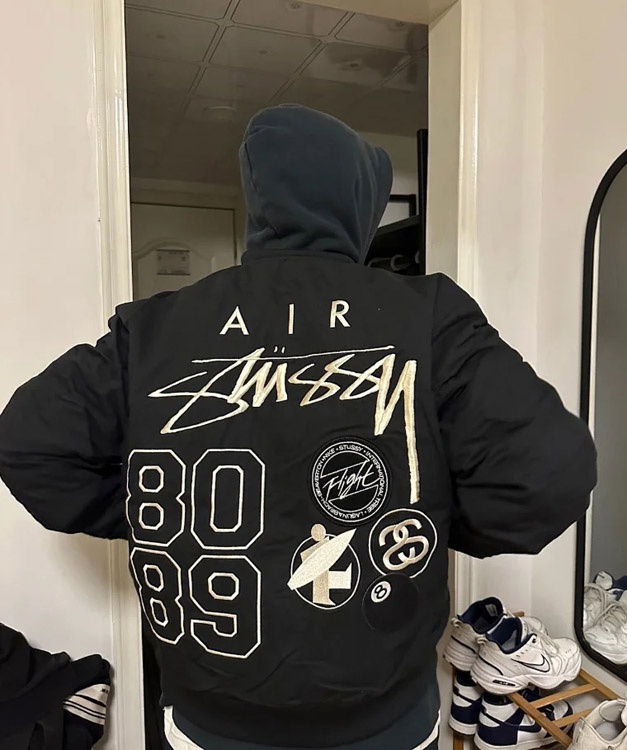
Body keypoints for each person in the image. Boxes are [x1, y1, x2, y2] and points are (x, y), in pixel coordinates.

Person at [0, 105, 596, 750]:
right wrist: (444, 517)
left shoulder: (151, 328)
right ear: (359, 204)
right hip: (382, 716)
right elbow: (550, 472)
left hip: (211, 715)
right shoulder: (425, 314)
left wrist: (159, 511)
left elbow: (28, 443)